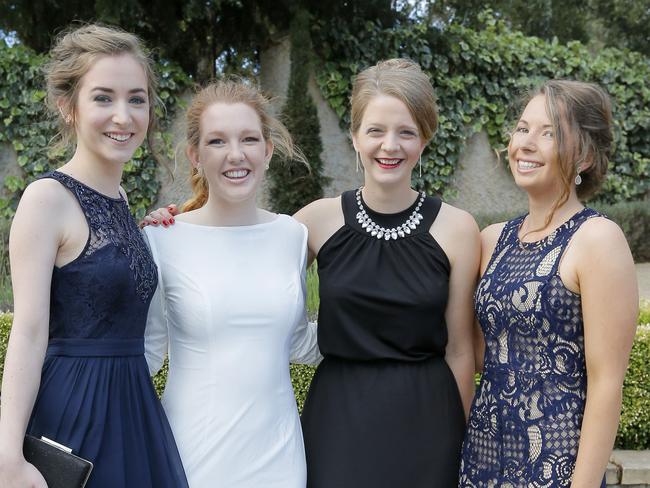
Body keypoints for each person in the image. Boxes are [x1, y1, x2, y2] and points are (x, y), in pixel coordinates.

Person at [143, 58, 479, 487]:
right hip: (336, 421)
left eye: (406, 132)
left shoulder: (457, 228)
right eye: (375, 130)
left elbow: (459, 350)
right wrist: (173, 226)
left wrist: (462, 440)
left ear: (425, 139)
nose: (389, 145)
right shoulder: (311, 224)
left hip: (425, 419)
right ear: (355, 137)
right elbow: (241, 274)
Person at [0, 24, 188, 488]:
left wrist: (150, 231)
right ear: (69, 107)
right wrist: (7, 454)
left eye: (137, 99)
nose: (123, 116)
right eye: (103, 98)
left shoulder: (122, 199)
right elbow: (26, 333)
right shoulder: (47, 199)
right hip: (76, 412)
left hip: (134, 409)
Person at [459, 80, 639, 487]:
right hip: (483, 461)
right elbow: (473, 354)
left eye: (550, 133)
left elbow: (607, 385)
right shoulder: (491, 240)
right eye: (522, 129)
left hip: (556, 467)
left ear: (586, 156)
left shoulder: (597, 239)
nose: (526, 143)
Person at [143, 79, 321, 487]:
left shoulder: (292, 237)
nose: (236, 154)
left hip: (280, 460)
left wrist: (387, 331)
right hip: (190, 458)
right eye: (217, 141)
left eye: (249, 139)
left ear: (268, 150)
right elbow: (146, 354)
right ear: (195, 155)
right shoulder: (161, 239)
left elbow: (297, 342)